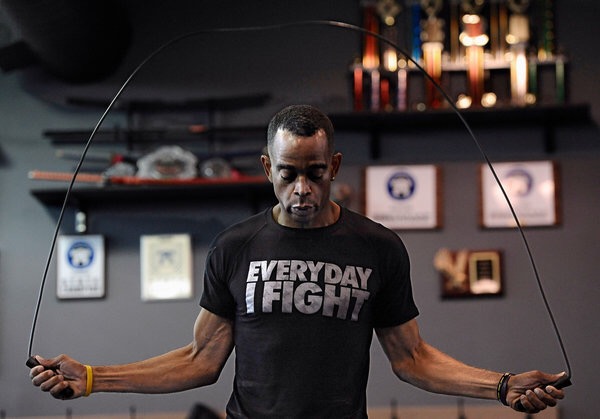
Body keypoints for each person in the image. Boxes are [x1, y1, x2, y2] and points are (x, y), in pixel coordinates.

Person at [30, 104, 566, 418]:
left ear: (335, 165)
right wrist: (94, 377)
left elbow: (413, 359)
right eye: (289, 174)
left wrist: (501, 386)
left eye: (316, 172)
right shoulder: (234, 247)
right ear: (268, 168)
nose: (303, 189)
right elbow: (200, 360)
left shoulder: (378, 247)